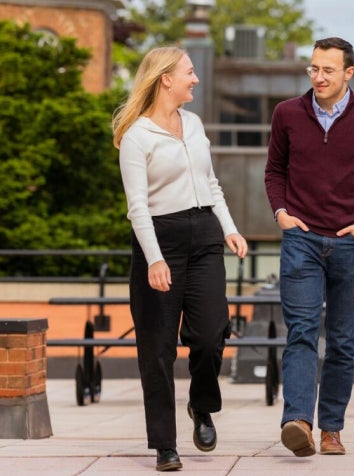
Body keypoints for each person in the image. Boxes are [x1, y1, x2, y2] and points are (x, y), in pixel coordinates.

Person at [113, 46, 248, 472]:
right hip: (160, 240)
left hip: (205, 233)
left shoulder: (193, 123)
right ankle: (164, 445)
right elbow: (136, 206)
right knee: (157, 349)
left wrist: (228, 227)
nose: (196, 79)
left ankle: (201, 406)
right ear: (165, 78)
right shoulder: (137, 136)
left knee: (210, 333)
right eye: (189, 72)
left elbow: (210, 181)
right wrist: (154, 259)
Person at [264, 36, 354, 457]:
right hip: (301, 239)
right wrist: (281, 213)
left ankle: (332, 429)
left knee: (341, 340)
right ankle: (298, 421)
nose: (318, 77)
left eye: (327, 70)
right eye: (313, 68)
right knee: (301, 333)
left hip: (350, 243)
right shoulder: (287, 113)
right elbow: (274, 171)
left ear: (348, 73)